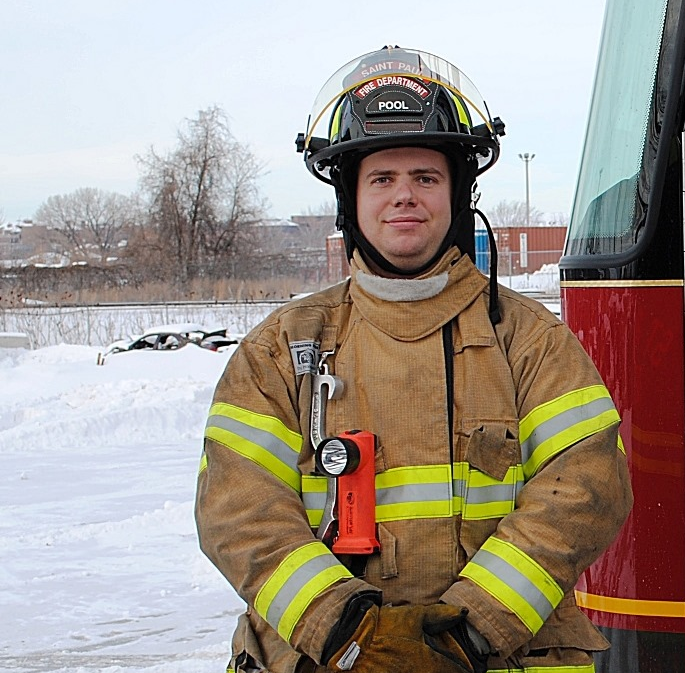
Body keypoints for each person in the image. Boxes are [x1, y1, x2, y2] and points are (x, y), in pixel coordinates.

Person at [195, 45, 633, 673]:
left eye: (426, 178)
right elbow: (237, 511)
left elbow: (588, 488)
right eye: (382, 179)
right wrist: (348, 632)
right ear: (352, 198)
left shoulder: (529, 340)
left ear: (458, 194)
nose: (405, 197)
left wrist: (470, 633)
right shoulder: (282, 348)